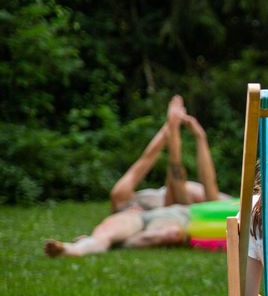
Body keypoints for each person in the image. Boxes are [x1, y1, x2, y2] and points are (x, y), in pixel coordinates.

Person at [44, 96, 227, 257]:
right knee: (108, 232)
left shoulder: (184, 201)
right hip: (136, 216)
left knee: (169, 232)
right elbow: (154, 163)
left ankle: (114, 244)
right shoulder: (127, 200)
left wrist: (184, 131)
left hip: (165, 218)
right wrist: (170, 128)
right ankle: (72, 249)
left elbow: (190, 179)